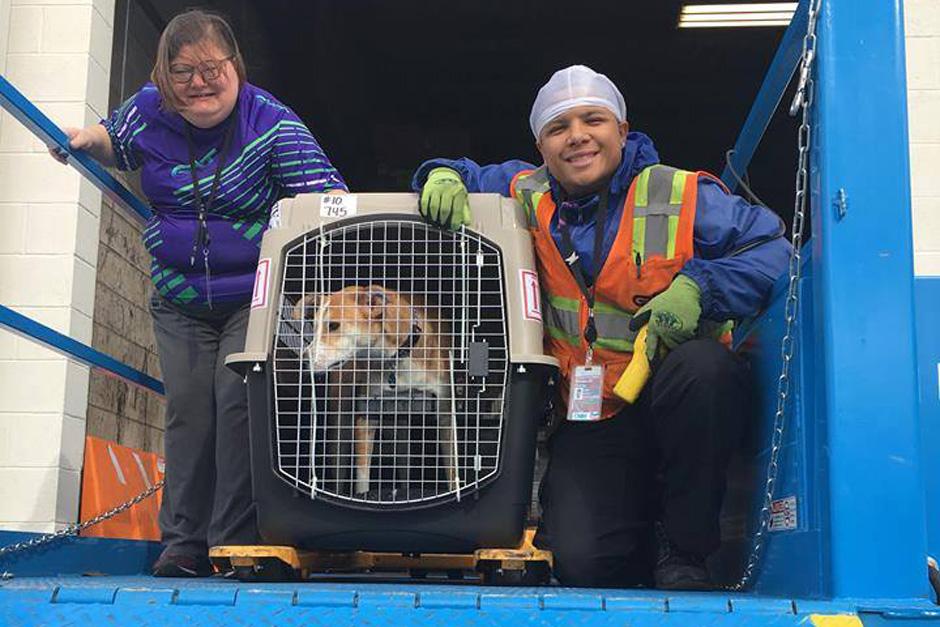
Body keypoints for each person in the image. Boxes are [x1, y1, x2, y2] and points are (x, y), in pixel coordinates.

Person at [413, 65, 790, 589]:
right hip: (594, 409)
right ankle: (634, 537)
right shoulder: (526, 190)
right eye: (558, 127)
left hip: (675, 394)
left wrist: (701, 287)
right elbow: (465, 173)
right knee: (583, 562)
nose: (577, 137)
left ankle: (684, 550)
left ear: (622, 130)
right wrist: (441, 174)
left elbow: (773, 250)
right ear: (541, 146)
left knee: (707, 370)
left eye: (593, 120)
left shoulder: (678, 193)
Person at [50, 10, 347, 577]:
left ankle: (230, 541)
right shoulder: (148, 110)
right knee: (189, 409)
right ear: (163, 77)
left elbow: (330, 199)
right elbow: (115, 141)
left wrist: (304, 265)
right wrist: (87, 138)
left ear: (235, 66)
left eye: (213, 68)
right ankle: (183, 543)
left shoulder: (273, 125)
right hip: (177, 296)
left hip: (252, 295)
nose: (200, 82)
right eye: (183, 71)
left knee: (236, 403)